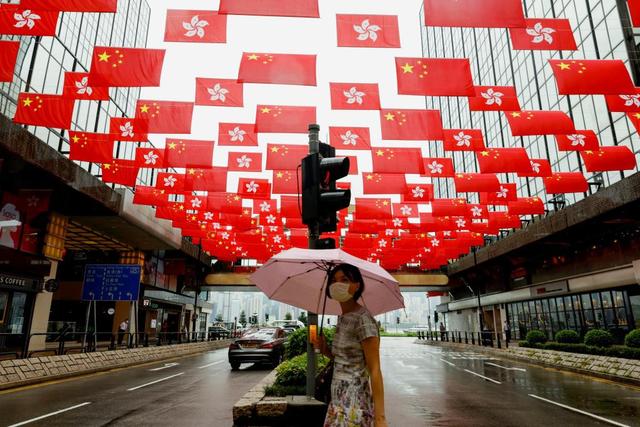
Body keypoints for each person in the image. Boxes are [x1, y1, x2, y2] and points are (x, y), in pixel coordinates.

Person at [315, 263, 386, 427]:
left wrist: (380, 418)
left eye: (344, 279)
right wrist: (325, 348)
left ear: (357, 286)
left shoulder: (363, 320)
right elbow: (344, 359)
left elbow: (374, 370)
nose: (337, 284)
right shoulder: (343, 317)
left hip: (354, 402)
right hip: (337, 400)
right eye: (333, 280)